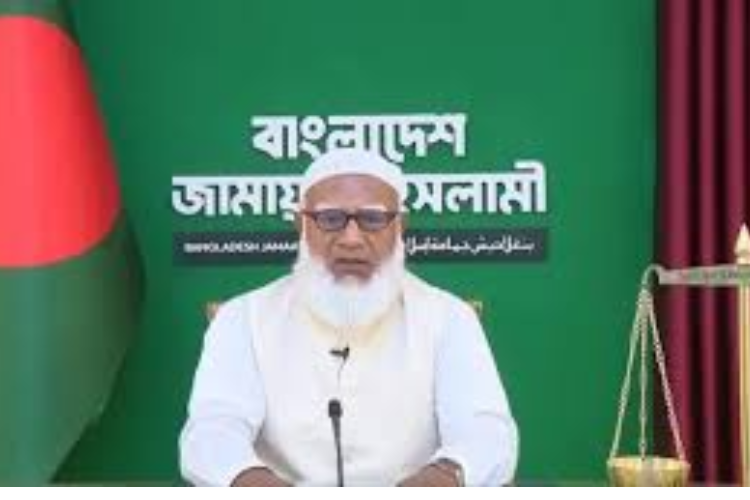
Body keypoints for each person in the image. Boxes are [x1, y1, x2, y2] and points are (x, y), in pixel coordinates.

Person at [179, 148, 518, 486]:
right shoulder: (243, 318)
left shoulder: (449, 317)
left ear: (400, 226)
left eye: (373, 219)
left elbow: (486, 432)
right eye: (330, 219)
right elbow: (213, 430)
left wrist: (443, 477)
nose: (351, 239)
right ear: (301, 225)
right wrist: (252, 482)